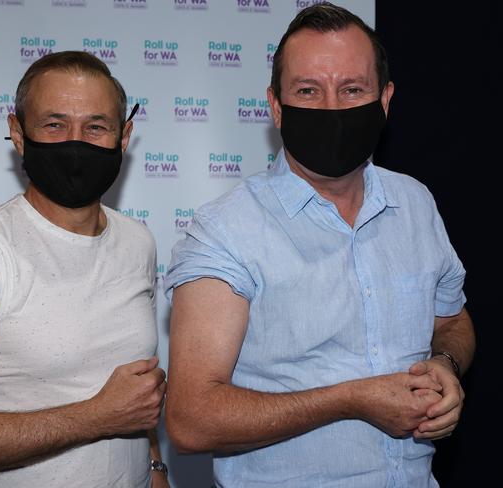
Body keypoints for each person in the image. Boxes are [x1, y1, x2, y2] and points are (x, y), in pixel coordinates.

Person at [164, 3, 474, 487]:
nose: (332, 109)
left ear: (385, 99)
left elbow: (452, 320)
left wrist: (445, 365)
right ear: (275, 105)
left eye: (352, 89)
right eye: (308, 91)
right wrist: (351, 399)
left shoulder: (414, 203)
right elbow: (191, 419)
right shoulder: (226, 230)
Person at [0, 51, 169, 488]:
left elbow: (134, 394)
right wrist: (97, 416)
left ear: (123, 138)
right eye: (54, 124)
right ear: (17, 133)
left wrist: (156, 467)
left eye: (95, 126)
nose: (75, 142)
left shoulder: (137, 242)